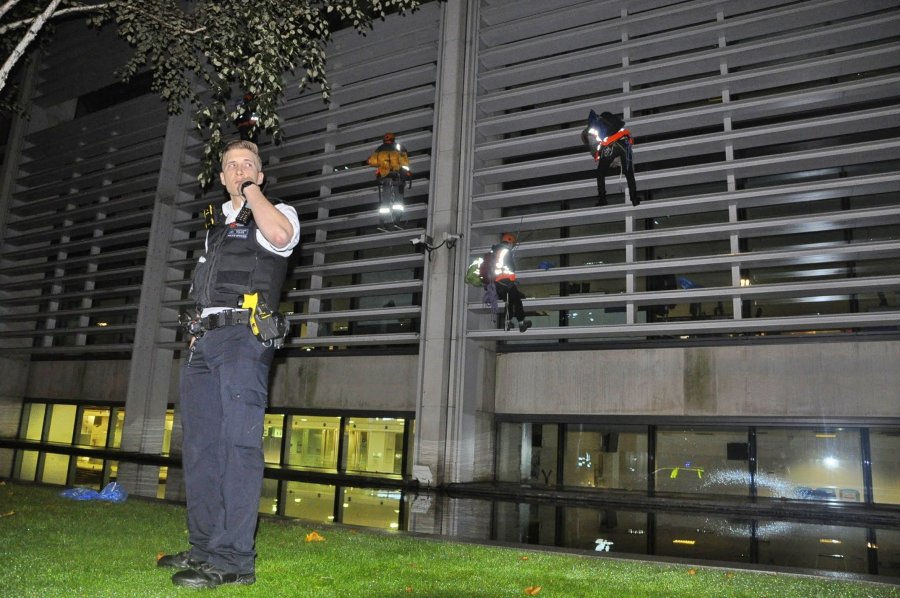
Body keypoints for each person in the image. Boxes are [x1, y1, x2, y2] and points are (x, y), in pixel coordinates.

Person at [158, 139, 300, 589]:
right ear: (220, 177)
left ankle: (235, 559)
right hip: (204, 344)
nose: (239, 170)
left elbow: (279, 238)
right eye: (231, 166)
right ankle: (203, 548)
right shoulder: (216, 229)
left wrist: (252, 192)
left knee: (238, 449)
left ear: (260, 173)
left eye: (248, 165)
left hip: (244, 340)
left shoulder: (278, 213)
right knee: (200, 449)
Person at [581, 109, 639, 207]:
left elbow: (596, 151)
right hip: (624, 143)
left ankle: (602, 199)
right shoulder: (606, 117)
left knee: (600, 173)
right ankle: (634, 199)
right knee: (629, 172)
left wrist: (602, 158)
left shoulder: (591, 131)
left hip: (610, 146)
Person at [367, 132, 412, 228]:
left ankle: (382, 221)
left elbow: (372, 161)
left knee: (386, 199)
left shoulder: (380, 149)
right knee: (398, 200)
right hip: (397, 177)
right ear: (393, 139)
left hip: (386, 178)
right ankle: (397, 219)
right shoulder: (399, 147)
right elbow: (404, 163)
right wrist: (406, 173)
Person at [488, 232, 532, 333]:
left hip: (497, 282)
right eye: (513, 243)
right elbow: (511, 267)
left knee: (510, 302)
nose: (513, 246)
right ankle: (521, 322)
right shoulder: (505, 251)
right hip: (505, 281)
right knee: (517, 299)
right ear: (509, 241)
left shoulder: (495, 251)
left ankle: (507, 322)